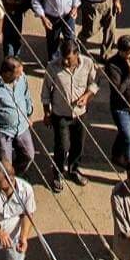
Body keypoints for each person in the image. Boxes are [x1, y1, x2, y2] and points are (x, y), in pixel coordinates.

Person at [41, 40, 98, 191]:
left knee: (78, 144)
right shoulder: (53, 67)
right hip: (60, 115)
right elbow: (46, 92)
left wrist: (87, 96)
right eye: (63, 58)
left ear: (77, 54)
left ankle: (73, 169)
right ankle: (58, 172)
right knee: (62, 146)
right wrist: (47, 112)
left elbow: (94, 84)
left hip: (80, 114)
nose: (65, 61)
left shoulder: (88, 63)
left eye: (69, 58)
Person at [0, 56, 36, 178]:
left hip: (22, 127)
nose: (20, 76)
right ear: (7, 73)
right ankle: (6, 180)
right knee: (5, 164)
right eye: (17, 73)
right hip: (3, 132)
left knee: (29, 155)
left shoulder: (22, 78)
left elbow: (26, 96)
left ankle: (17, 174)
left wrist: (29, 114)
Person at [106, 36, 130, 168]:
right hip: (121, 109)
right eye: (129, 53)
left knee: (124, 133)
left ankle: (116, 154)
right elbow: (118, 91)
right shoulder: (112, 65)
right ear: (121, 51)